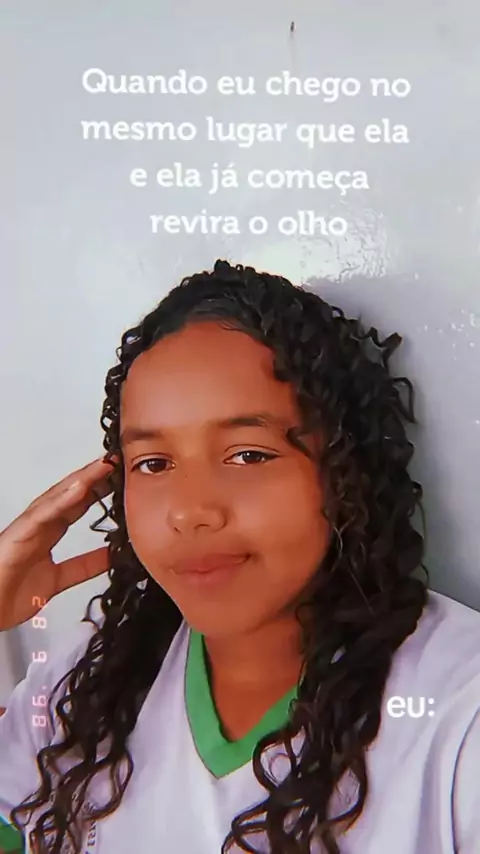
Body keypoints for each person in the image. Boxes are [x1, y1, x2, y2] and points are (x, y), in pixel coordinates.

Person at [0, 259, 479, 854]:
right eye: (154, 463)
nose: (190, 511)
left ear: (344, 468)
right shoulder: (85, 683)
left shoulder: (460, 714)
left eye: (248, 455)